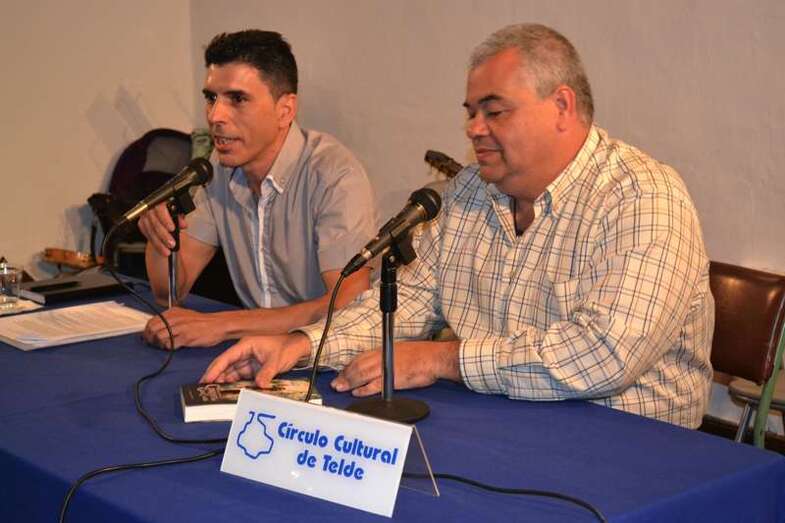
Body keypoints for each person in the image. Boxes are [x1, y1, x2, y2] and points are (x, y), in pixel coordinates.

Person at [201, 24, 714, 428]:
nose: (473, 129)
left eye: (494, 112)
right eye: (470, 113)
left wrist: (442, 360)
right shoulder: (470, 191)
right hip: (504, 424)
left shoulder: (643, 196)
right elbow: (405, 307)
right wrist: (300, 345)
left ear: (562, 106)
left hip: (631, 450)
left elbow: (605, 355)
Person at [139, 30, 375, 349]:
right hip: (254, 353)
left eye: (237, 99)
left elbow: (348, 306)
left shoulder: (335, 174)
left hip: (326, 356)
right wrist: (159, 238)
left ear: (285, 110)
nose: (215, 116)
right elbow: (169, 292)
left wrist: (223, 325)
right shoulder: (218, 170)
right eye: (211, 98)